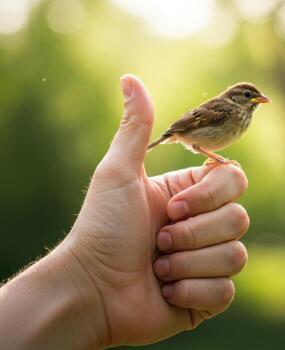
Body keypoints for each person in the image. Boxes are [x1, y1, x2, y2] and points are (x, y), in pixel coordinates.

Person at [0, 75, 250, 349]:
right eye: (248, 96)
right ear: (236, 97)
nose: (253, 101)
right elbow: (197, 122)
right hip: (191, 135)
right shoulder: (226, 108)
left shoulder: (237, 113)